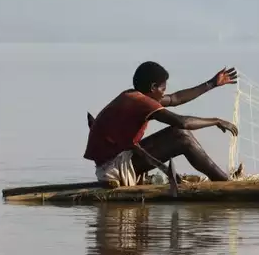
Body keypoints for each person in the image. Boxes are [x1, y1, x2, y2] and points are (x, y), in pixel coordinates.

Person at [83, 61, 239, 186]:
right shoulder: (139, 101)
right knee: (181, 136)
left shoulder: (134, 95)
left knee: (179, 134)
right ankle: (225, 183)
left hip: (115, 162)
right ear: (153, 88)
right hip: (113, 169)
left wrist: (212, 83)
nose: (164, 93)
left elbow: (175, 99)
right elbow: (181, 122)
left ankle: (222, 179)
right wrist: (216, 121)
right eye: (163, 89)